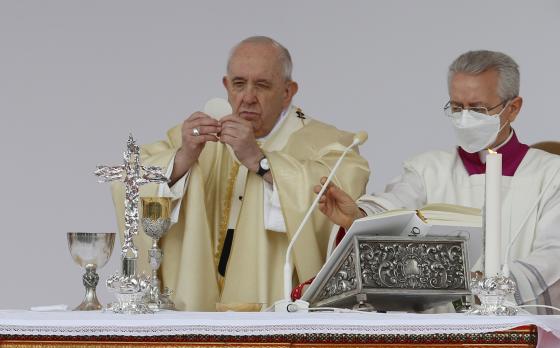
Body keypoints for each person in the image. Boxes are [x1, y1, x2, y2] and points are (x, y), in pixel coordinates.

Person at [110, 36, 370, 311]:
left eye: (262, 85)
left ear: (287, 91)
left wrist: (262, 163)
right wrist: (184, 158)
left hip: (278, 301)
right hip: (200, 296)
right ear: (226, 86)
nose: (247, 97)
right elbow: (130, 179)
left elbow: (344, 187)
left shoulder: (325, 141)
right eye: (238, 84)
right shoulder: (201, 139)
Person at [314, 50, 560, 313]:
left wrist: (487, 289)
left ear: (513, 108)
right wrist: (358, 216)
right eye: (456, 107)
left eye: (477, 109)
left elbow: (553, 255)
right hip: (438, 328)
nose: (465, 118)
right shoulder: (428, 170)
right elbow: (394, 208)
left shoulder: (551, 174)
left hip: (513, 324)